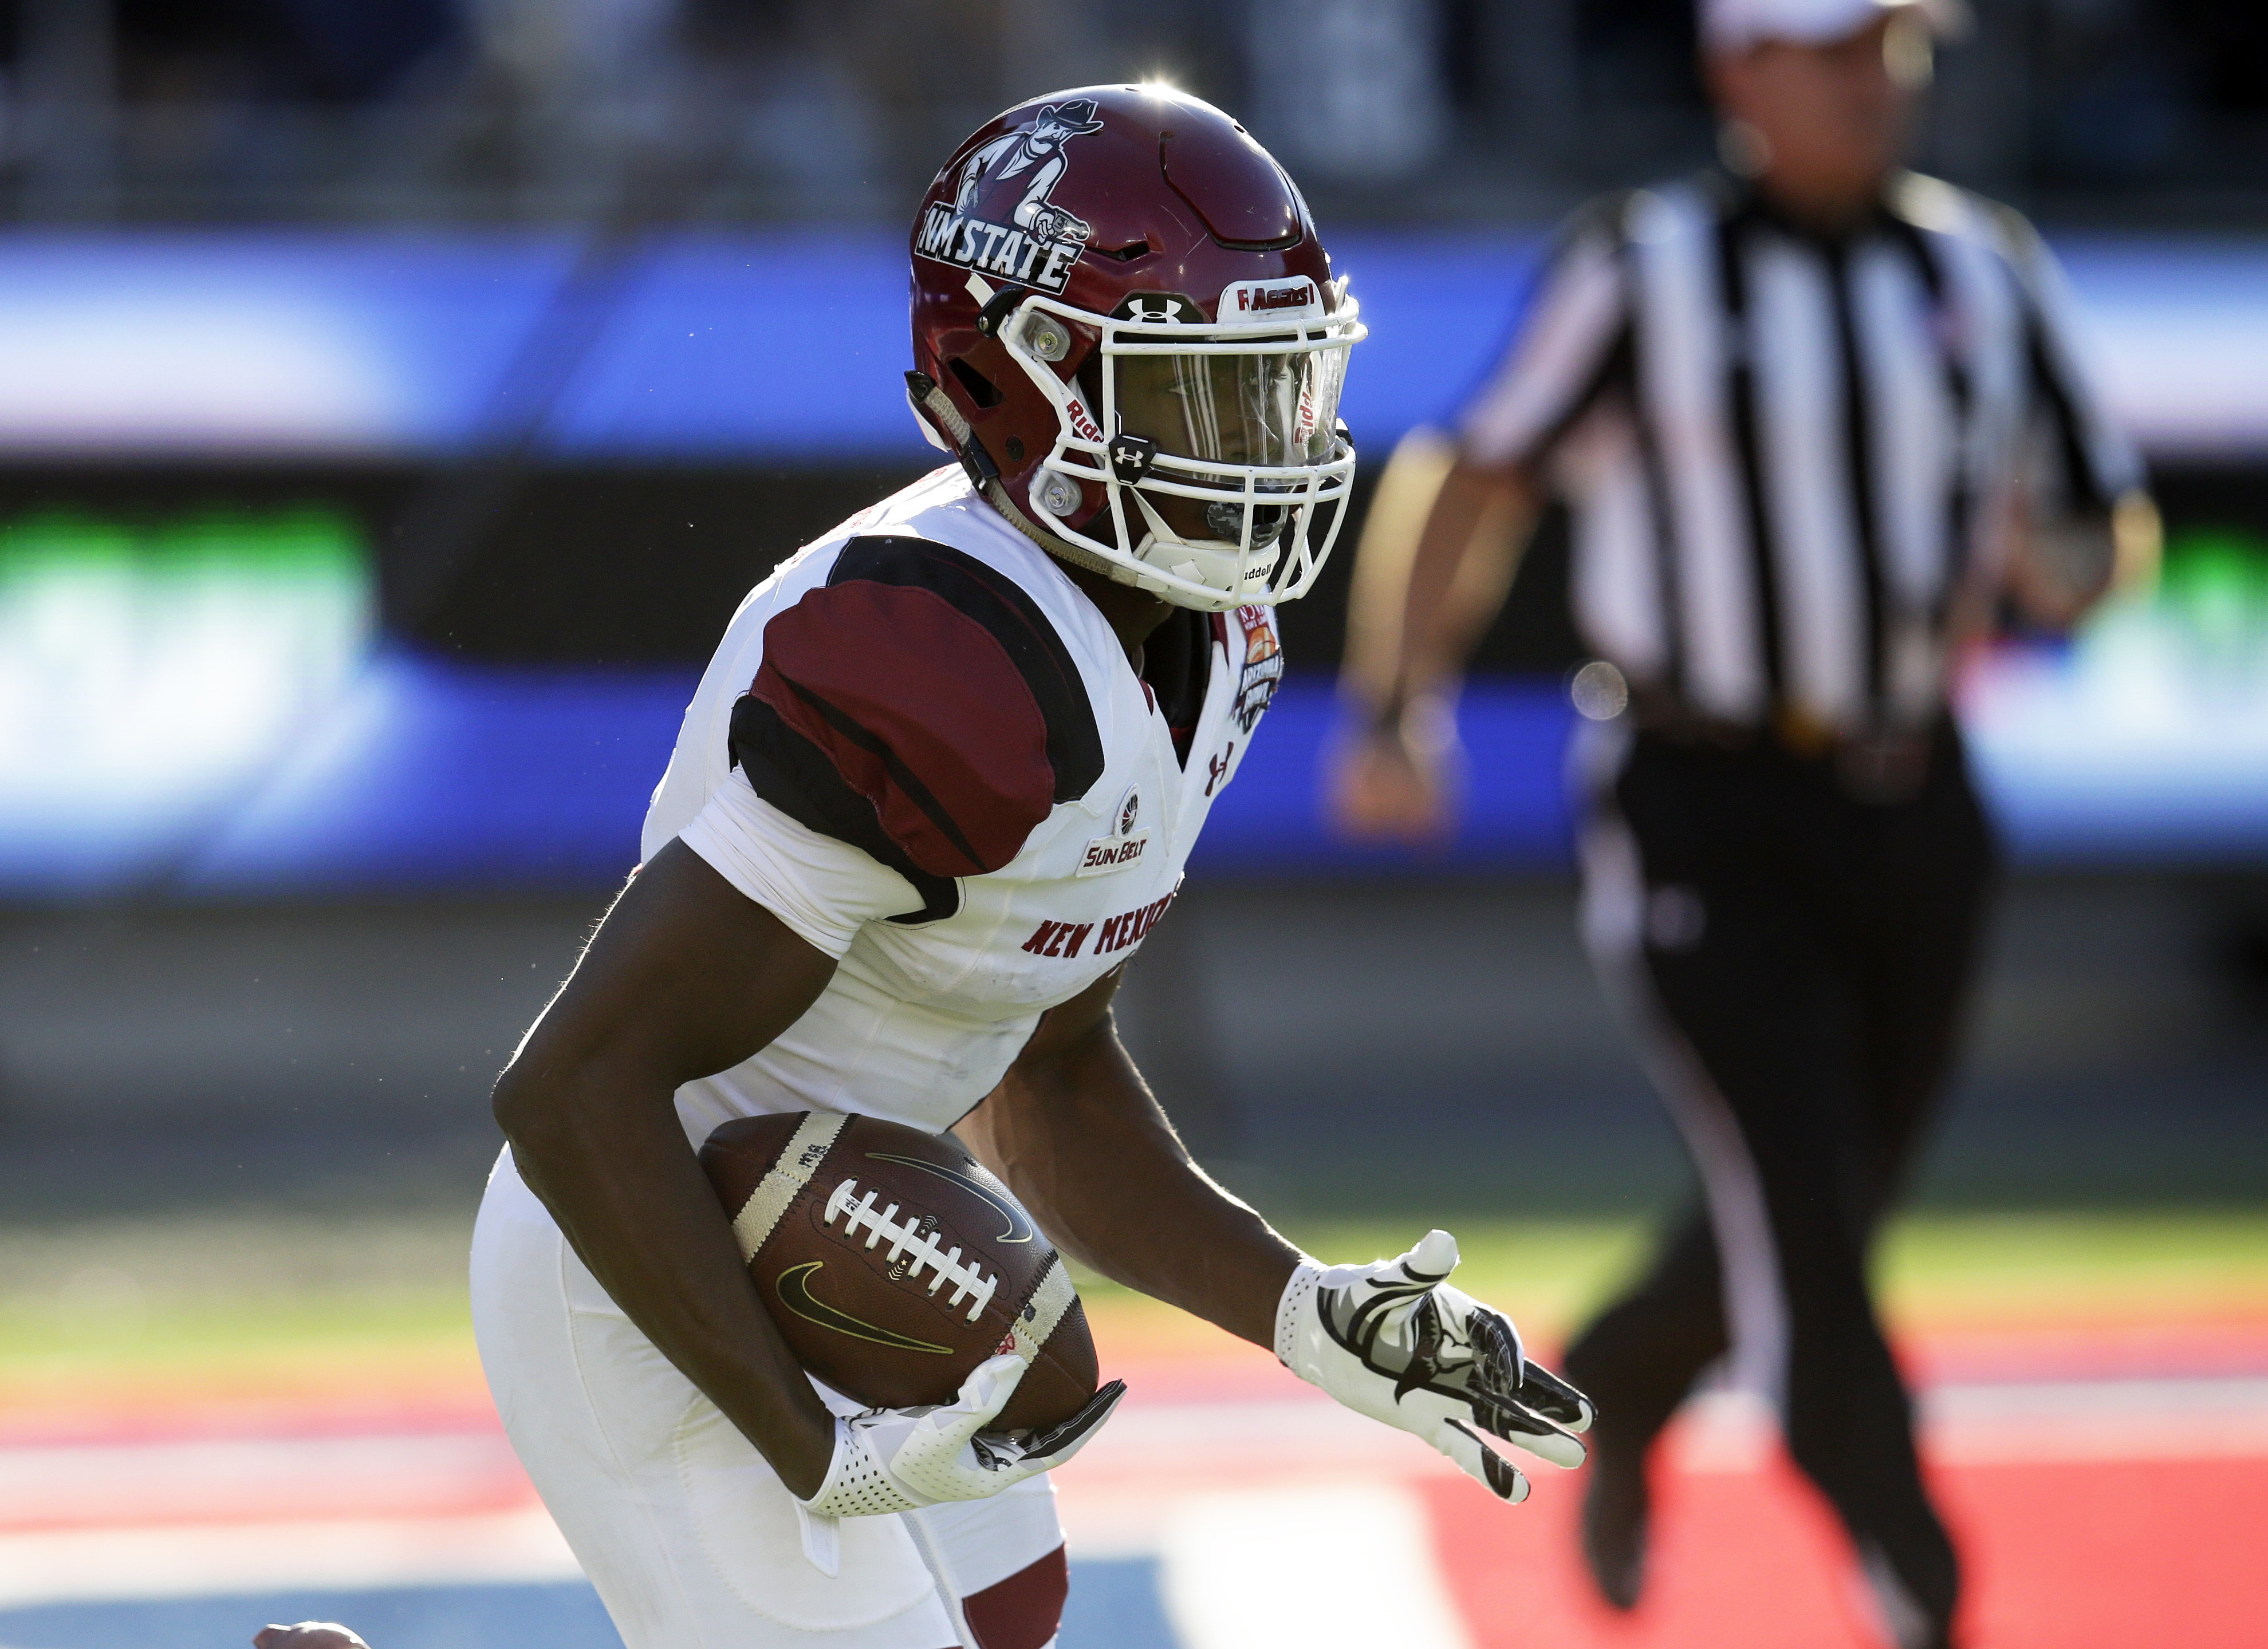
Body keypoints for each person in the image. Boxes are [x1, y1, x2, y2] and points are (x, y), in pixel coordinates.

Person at [466, 85, 1592, 1649]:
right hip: (645, 1273)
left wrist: (1297, 1309)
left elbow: (1043, 1075)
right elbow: (572, 1091)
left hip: (844, 1236)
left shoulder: (1212, 642)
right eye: (1206, 399)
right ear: (1029, 380)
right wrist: (819, 1456)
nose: (1265, 451)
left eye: (1278, 390)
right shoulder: (934, 661)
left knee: (1013, 1609)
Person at [1328, 4, 2152, 1647]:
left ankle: (1629, 1365)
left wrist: (2077, 570)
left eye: (1894, 46)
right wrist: (1395, 709)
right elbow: (1478, 474)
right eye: (1835, 48)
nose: (1874, 81)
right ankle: (1913, 1563)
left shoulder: (1979, 270)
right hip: (1701, 797)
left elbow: (2096, 521)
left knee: (1832, 1194)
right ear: (1737, 74)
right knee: (1804, 1204)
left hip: (1920, 796)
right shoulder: (1644, 269)